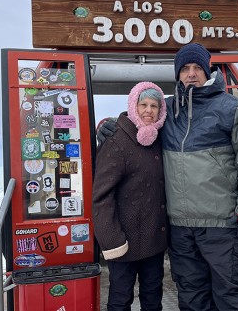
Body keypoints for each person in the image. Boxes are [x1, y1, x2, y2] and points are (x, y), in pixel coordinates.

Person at [98, 43, 238, 311]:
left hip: (220, 224)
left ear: (207, 70)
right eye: (185, 68)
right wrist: (109, 126)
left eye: (197, 68)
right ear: (178, 74)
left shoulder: (231, 108)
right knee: (191, 296)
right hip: (180, 227)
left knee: (231, 295)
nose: (191, 74)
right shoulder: (168, 111)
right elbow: (140, 117)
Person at [92, 81, 168, 311]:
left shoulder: (159, 137)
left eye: (154, 106)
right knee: (120, 300)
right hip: (124, 241)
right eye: (143, 104)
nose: (148, 110)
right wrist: (113, 241)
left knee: (153, 299)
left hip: (153, 240)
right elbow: (101, 196)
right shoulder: (117, 139)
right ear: (133, 106)